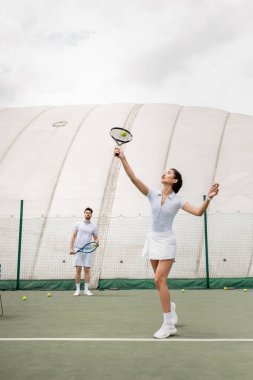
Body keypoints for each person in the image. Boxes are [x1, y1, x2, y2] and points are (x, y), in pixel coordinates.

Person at [114, 146, 219, 339]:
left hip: (167, 241)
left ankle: (168, 324)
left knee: (159, 280)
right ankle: (170, 307)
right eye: (165, 172)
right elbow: (134, 178)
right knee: (159, 282)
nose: (165, 173)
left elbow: (198, 212)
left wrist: (209, 198)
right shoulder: (152, 194)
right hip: (152, 239)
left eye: (169, 173)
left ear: (175, 180)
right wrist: (123, 158)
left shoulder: (178, 201)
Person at [69, 207, 99, 296]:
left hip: (88, 250)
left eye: (89, 212)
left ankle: (86, 290)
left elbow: (96, 238)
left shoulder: (93, 226)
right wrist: (71, 248)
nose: (88, 214)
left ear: (91, 214)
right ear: (84, 213)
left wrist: (96, 242)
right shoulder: (78, 224)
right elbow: (73, 236)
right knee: (78, 269)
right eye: (86, 212)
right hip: (78, 248)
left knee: (87, 270)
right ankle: (77, 290)